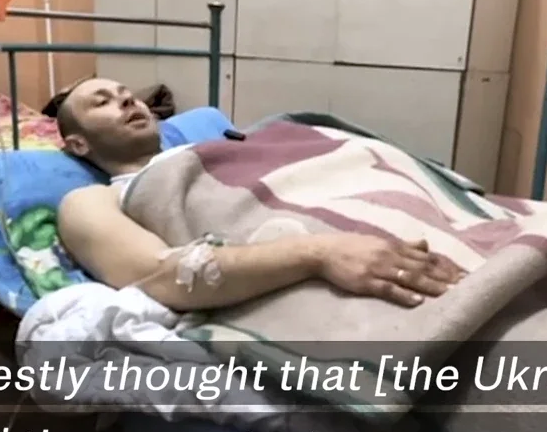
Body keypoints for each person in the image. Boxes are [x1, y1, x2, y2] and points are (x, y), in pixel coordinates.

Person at [54, 78, 462, 312]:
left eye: (126, 93)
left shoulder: (225, 146)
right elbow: (161, 278)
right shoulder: (92, 201)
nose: (127, 99)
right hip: (328, 248)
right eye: (103, 102)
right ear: (77, 145)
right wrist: (320, 252)